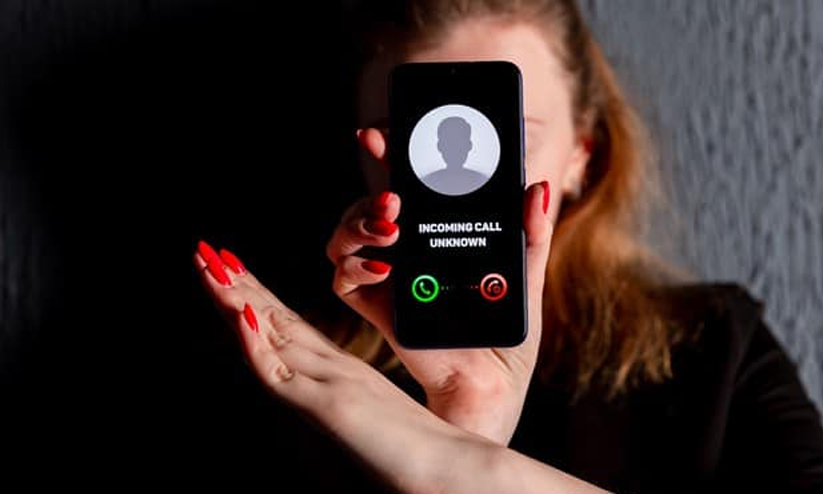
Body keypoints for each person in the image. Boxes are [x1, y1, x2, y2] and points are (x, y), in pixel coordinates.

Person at [193, 0, 823, 492]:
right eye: (408, 135)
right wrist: (469, 422)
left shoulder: (716, 346)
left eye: (507, 135)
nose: (458, 172)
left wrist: (462, 467)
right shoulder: (286, 375)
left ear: (583, 154)